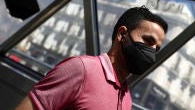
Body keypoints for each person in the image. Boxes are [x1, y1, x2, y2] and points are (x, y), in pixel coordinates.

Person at [15, 6, 168, 110]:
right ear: (122, 35)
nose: (152, 51)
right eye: (148, 41)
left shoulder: (126, 96)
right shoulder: (81, 69)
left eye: (157, 48)